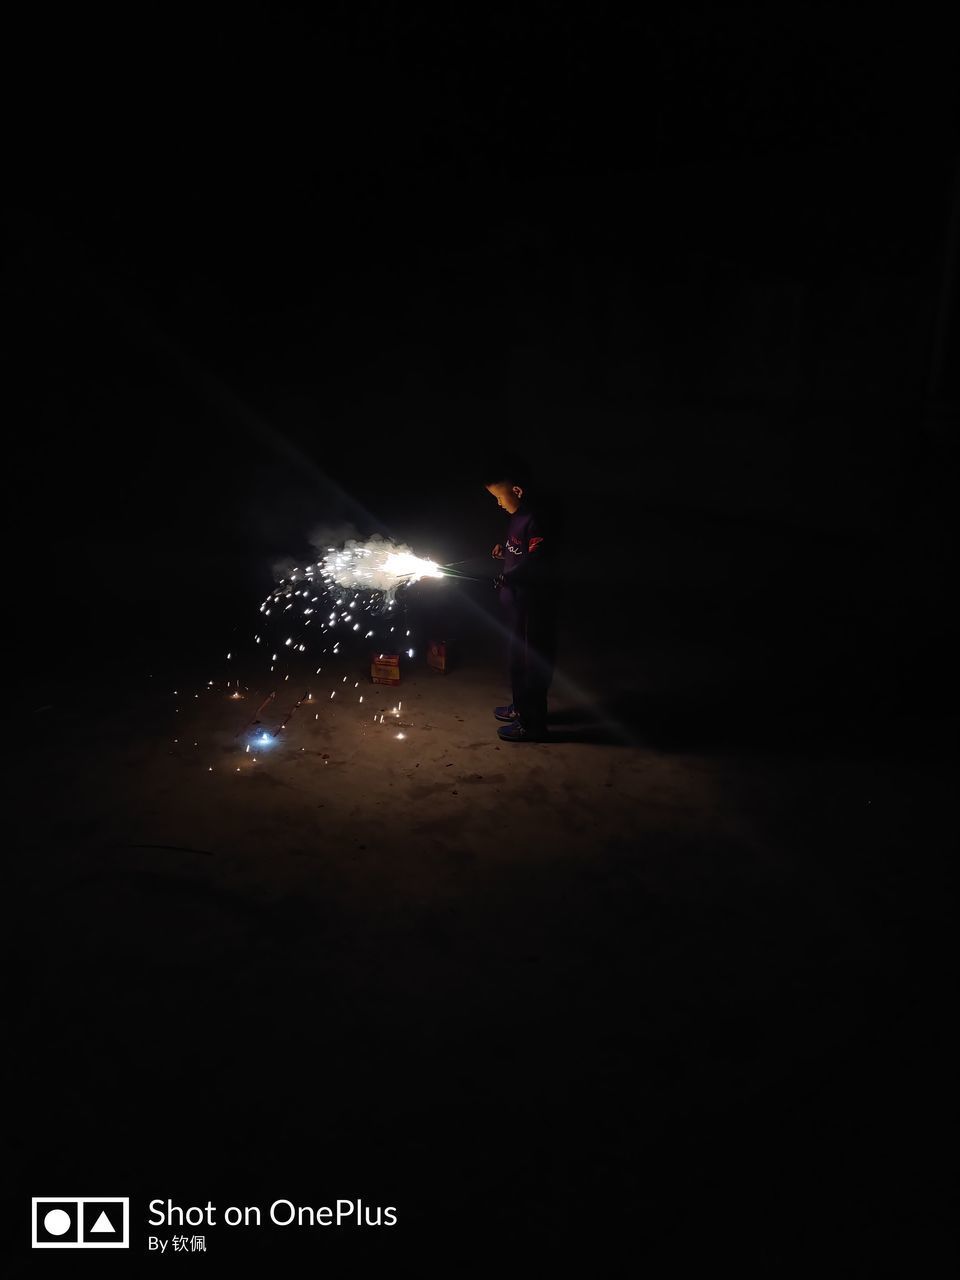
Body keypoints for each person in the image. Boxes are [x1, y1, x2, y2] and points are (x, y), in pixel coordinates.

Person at [483, 455, 559, 742]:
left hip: (532, 608)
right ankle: (520, 709)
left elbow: (539, 559)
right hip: (516, 606)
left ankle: (533, 725)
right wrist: (506, 551)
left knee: (531, 665)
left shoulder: (536, 520)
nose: (498, 503)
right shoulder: (517, 517)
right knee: (516, 661)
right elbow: (522, 551)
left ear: (517, 491)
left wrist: (513, 576)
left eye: (499, 497)